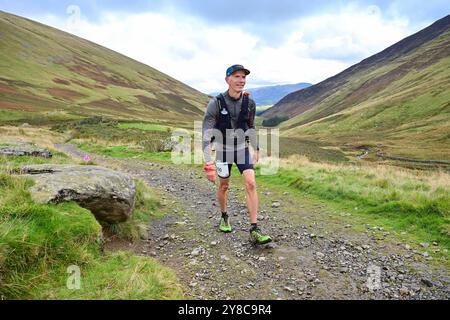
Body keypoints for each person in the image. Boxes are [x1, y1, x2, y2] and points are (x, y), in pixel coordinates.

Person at [202, 64, 272, 244]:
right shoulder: (216, 103)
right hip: (223, 151)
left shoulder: (250, 103)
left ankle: (254, 228)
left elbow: (251, 127)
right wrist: (208, 162)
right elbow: (207, 132)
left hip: (241, 149)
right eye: (237, 77)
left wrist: (255, 148)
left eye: (243, 77)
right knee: (224, 186)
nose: (241, 80)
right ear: (227, 80)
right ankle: (224, 216)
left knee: (251, 183)